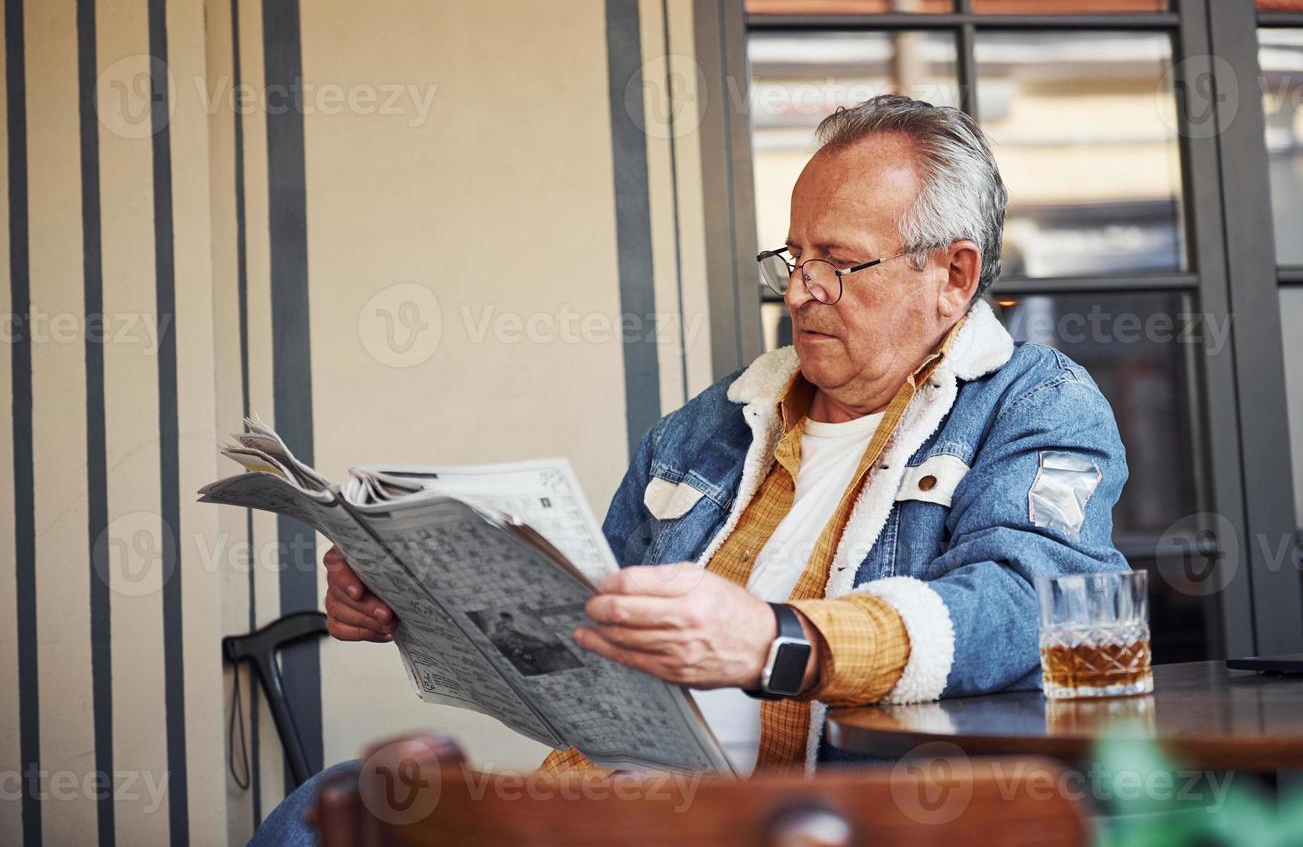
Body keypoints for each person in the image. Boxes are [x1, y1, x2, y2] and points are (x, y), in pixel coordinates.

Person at [252, 94, 1129, 842]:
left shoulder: (1033, 403)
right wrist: (417, 594)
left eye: (837, 263)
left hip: (792, 818)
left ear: (953, 273)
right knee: (322, 810)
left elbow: (1028, 601)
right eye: (795, 259)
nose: (798, 292)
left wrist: (777, 641)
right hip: (599, 796)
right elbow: (577, 631)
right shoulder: (708, 427)